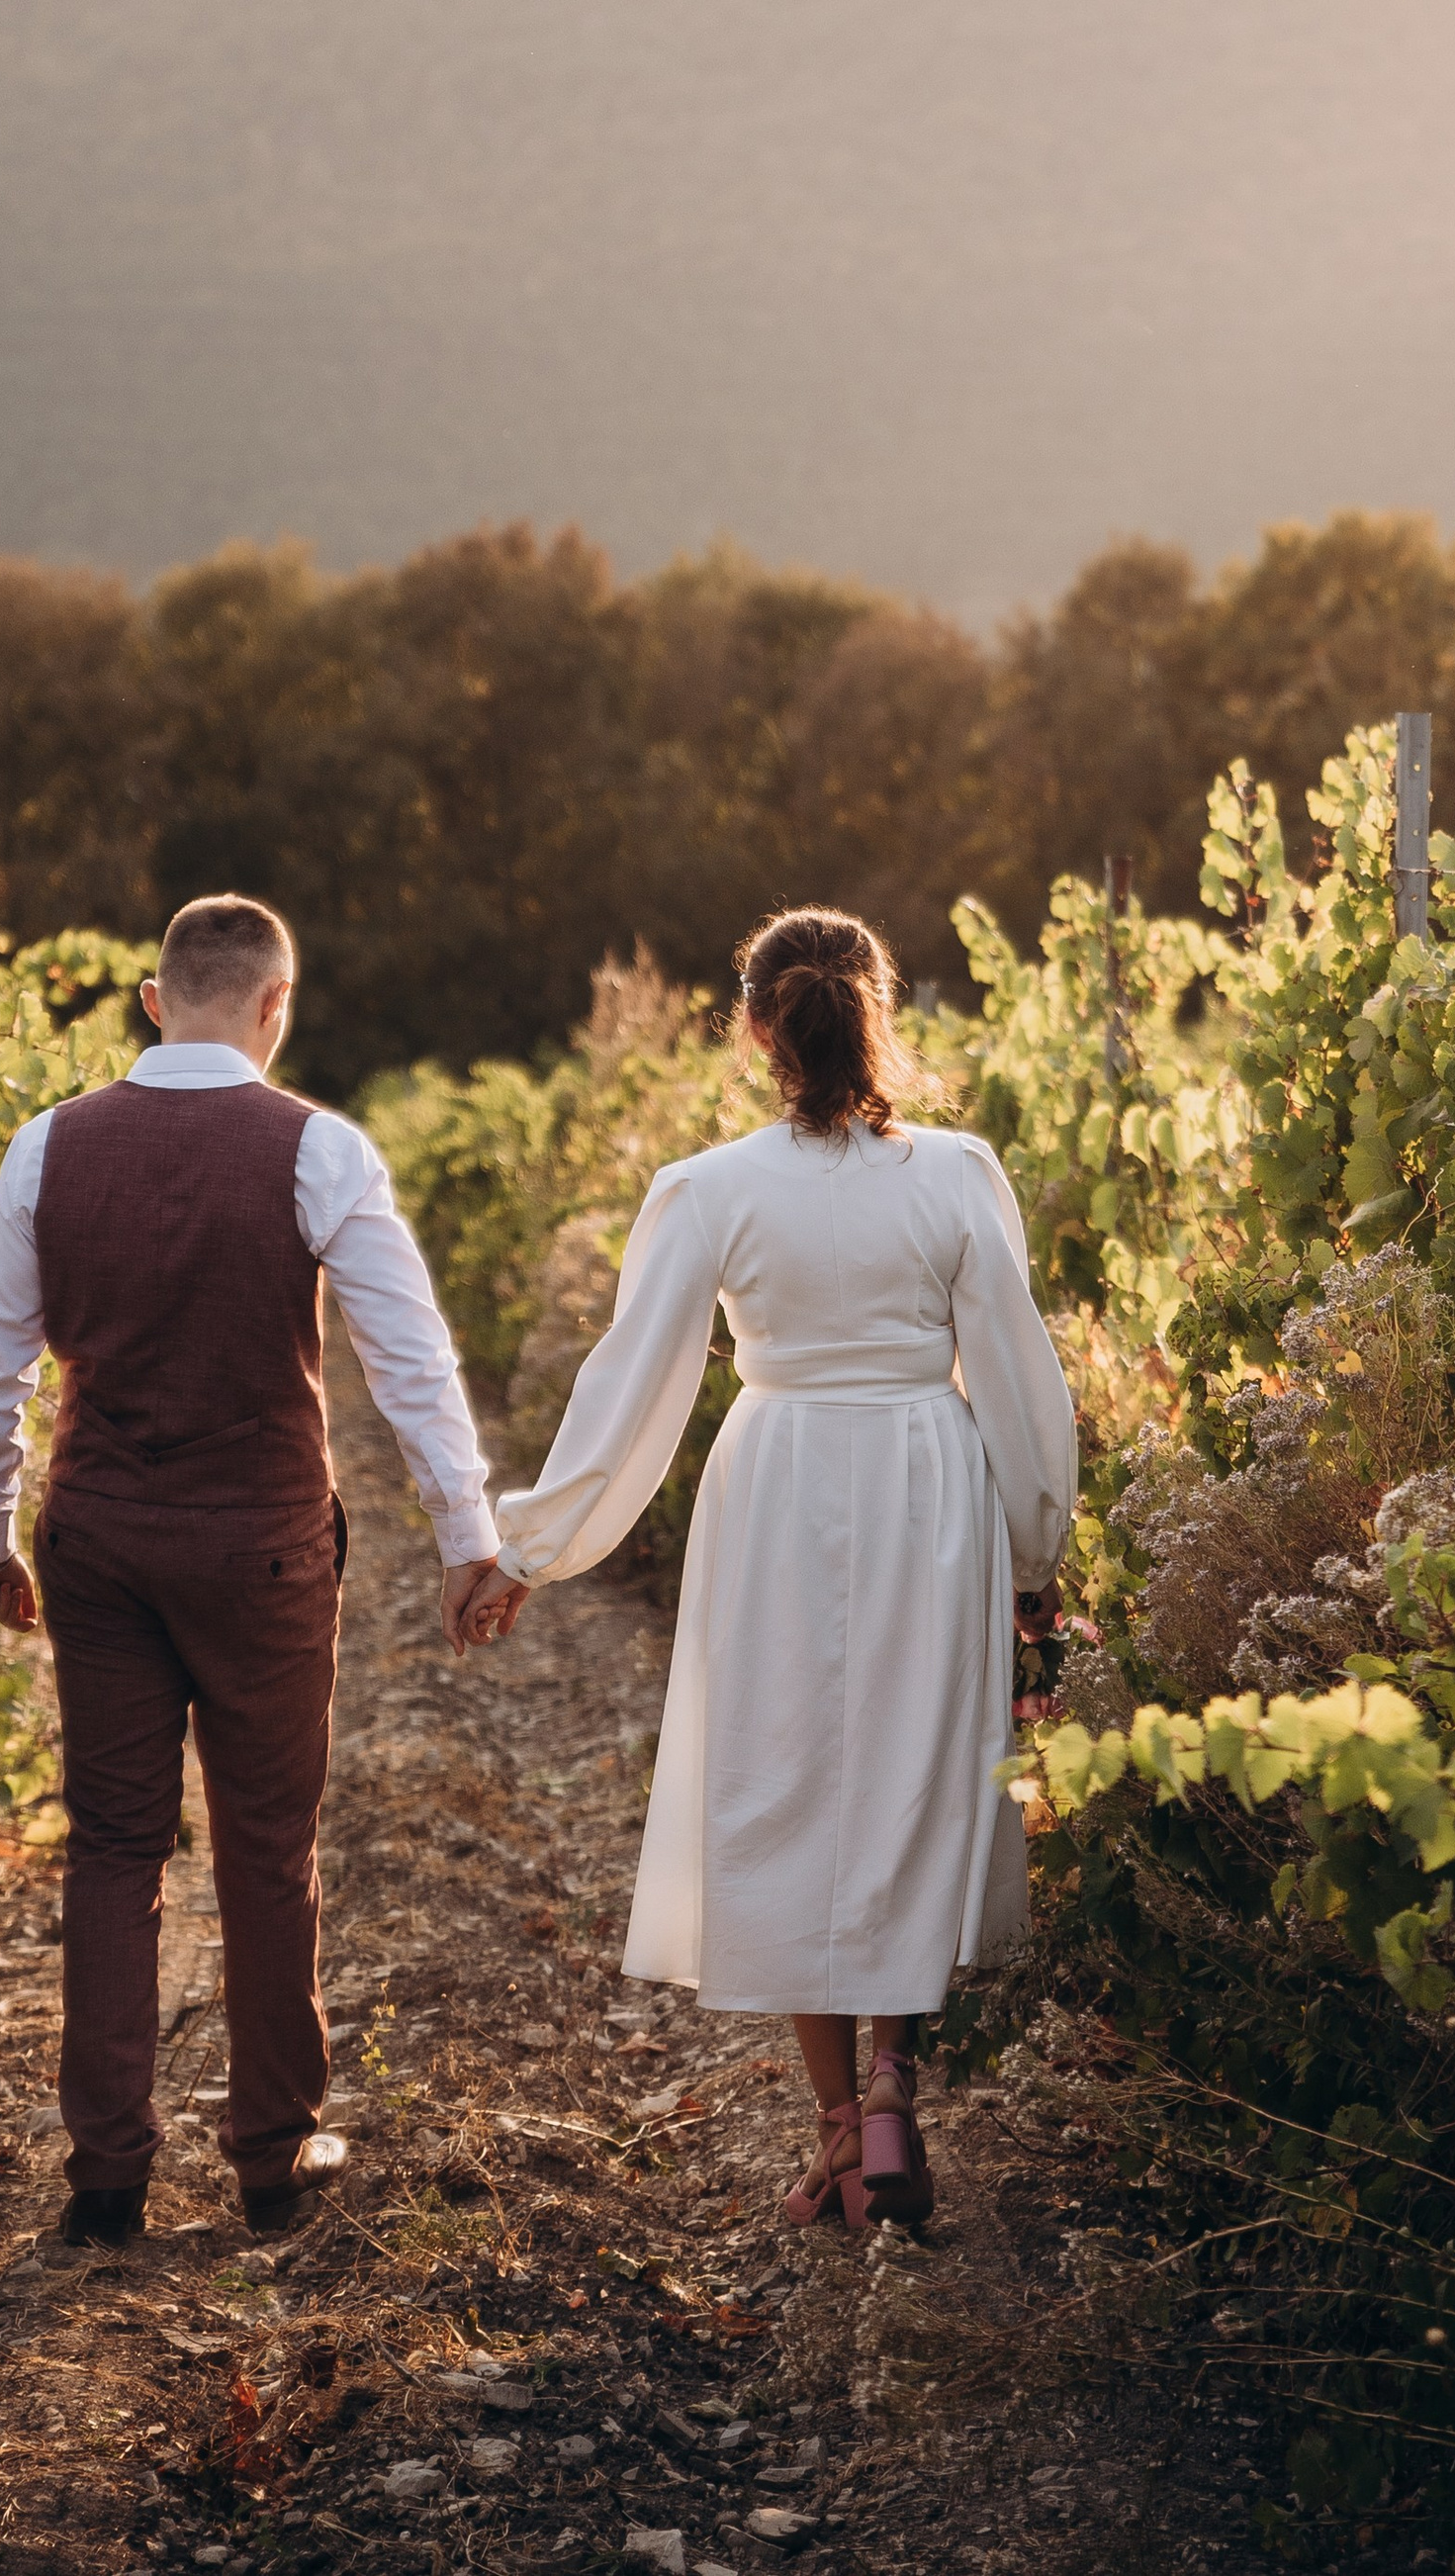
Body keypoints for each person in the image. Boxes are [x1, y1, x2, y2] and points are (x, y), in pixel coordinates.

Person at [469, 906, 1076, 2229]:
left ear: (754, 1029)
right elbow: (1023, 1384)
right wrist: (1036, 1551)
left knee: (792, 1780)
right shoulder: (961, 1174)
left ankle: (833, 2129)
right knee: (912, 1782)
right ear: (881, 1009)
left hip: (782, 1485)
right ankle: (893, 2098)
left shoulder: (710, 1189)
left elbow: (631, 1385)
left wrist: (531, 1547)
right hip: (932, 1481)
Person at [0, 894, 514, 2247]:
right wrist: (465, 1538)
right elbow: (410, 1360)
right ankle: (269, 2156)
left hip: (102, 1546)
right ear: (277, 1005)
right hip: (261, 1546)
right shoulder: (318, 1148)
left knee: (113, 1846)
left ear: (154, 1000)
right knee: (266, 1846)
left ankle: (106, 2171)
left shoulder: (48, 1147)